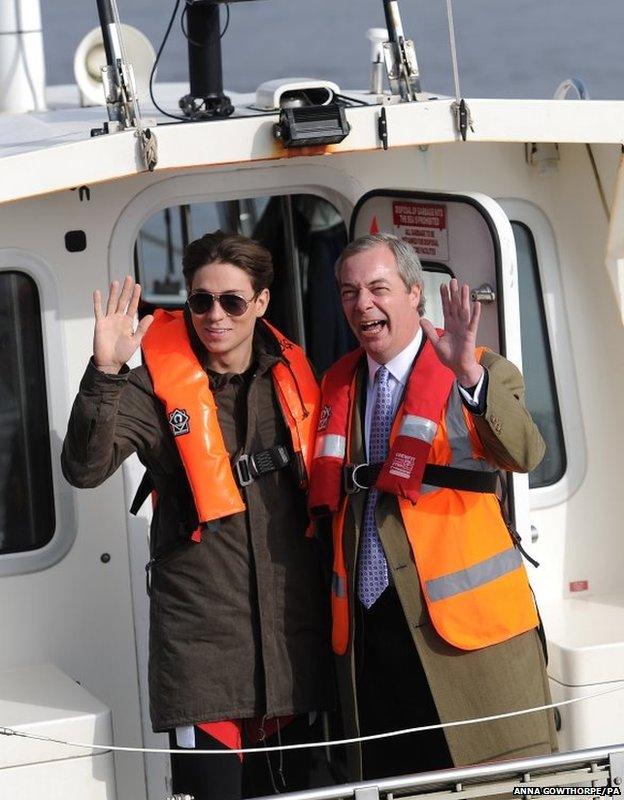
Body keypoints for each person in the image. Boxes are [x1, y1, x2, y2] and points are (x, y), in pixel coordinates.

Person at [62, 232, 334, 800]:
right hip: (204, 663)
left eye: (232, 301)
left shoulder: (296, 379)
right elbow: (84, 469)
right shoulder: (152, 389)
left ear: (261, 302)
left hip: (294, 653)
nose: (215, 315)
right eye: (200, 300)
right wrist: (106, 370)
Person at [308, 232, 557, 781]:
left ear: (415, 294)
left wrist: (468, 372)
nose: (362, 304)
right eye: (349, 293)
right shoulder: (335, 385)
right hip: (371, 635)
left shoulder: (479, 367)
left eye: (378, 288)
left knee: (502, 786)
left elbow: (525, 452)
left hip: (467, 637)